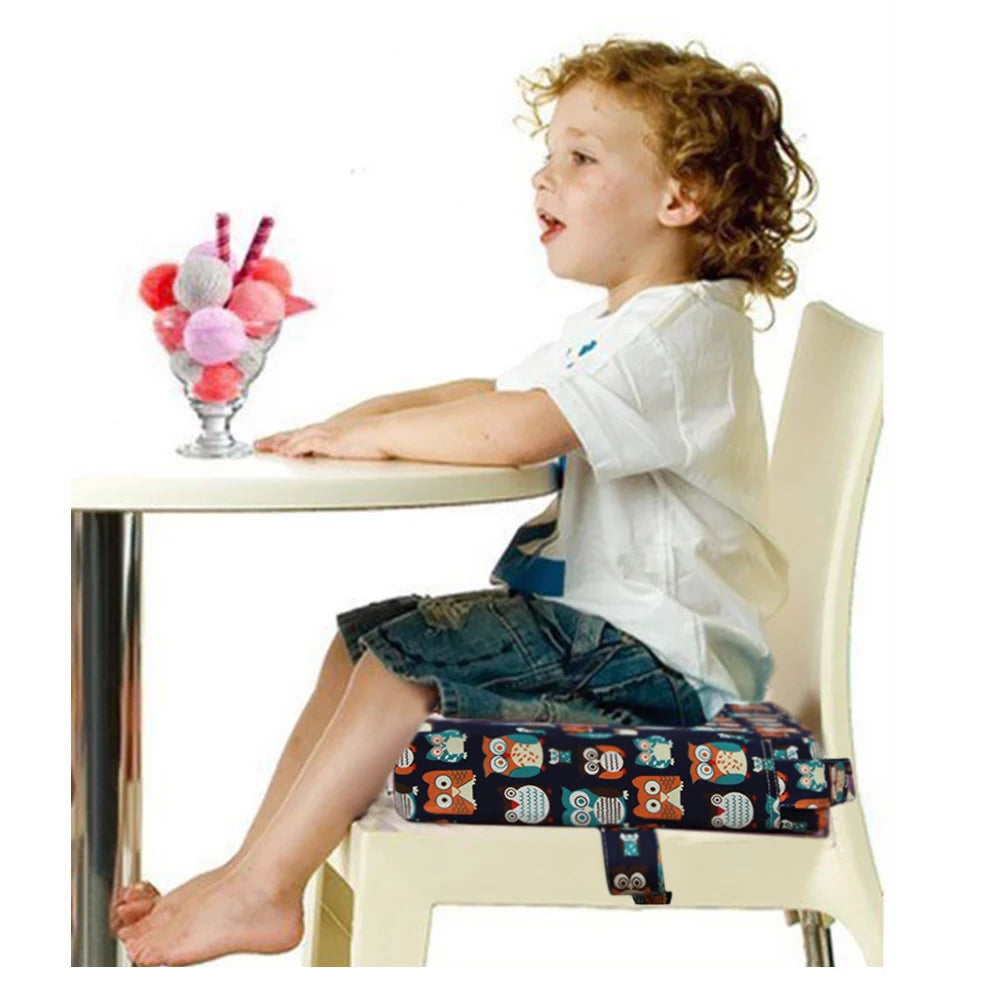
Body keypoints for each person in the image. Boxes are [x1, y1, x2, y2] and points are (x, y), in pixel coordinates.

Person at [114, 35, 816, 966]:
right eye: (548, 152)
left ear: (678, 197)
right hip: (607, 638)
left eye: (580, 157)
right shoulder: (625, 327)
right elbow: (486, 394)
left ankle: (262, 889)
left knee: (403, 660)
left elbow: (518, 428)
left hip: (654, 670)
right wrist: (353, 420)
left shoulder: (678, 336)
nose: (543, 177)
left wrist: (369, 441)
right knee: (362, 641)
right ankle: (252, 869)